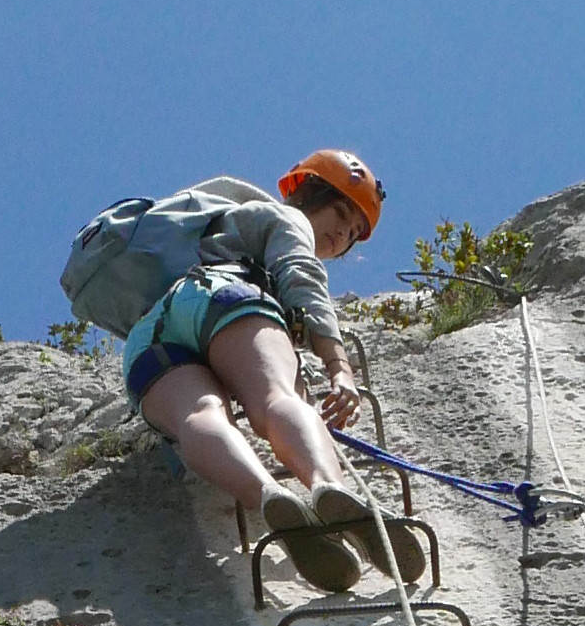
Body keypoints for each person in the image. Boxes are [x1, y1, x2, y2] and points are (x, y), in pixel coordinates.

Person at [121, 151, 425, 592]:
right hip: (227, 298)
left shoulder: (214, 228)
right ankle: (328, 488)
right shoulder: (284, 219)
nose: (343, 234)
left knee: (200, 415)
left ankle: (268, 496)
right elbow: (301, 278)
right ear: (307, 193)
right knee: (276, 397)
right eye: (340, 212)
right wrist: (340, 369)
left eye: (354, 234)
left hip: (150, 335)